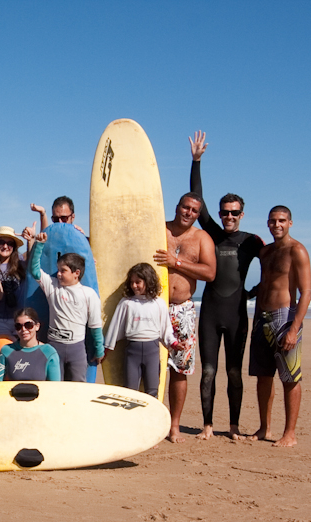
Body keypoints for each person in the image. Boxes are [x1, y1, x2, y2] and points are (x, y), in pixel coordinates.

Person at [189, 131, 265, 439]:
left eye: (234, 213)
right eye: (225, 212)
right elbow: (196, 199)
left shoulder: (252, 241)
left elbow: (274, 268)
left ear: (242, 214)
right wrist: (196, 161)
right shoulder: (211, 232)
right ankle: (207, 425)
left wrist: (253, 292)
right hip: (210, 313)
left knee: (234, 371)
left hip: (236, 314)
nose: (229, 216)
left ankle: (233, 426)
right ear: (220, 214)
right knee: (208, 371)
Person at [153, 192, 217, 443]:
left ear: (198, 214)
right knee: (149, 365)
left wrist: (176, 262)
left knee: (179, 368)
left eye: (194, 210)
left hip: (182, 310)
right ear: (177, 206)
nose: (188, 213)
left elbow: (210, 272)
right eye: (185, 207)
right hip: (153, 307)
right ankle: (150, 421)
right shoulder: (158, 229)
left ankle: (174, 425)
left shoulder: (201, 238)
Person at [247, 206, 311, 447]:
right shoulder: (265, 252)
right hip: (261, 317)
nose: (277, 225)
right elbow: (267, 282)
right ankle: (264, 428)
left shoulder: (297, 250)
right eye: (273, 221)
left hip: (284, 318)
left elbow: (306, 292)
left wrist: (294, 329)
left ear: (290, 223)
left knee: (289, 377)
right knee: (263, 377)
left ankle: (290, 434)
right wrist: (247, 294)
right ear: (267, 223)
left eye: (282, 221)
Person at [23, 228, 105, 381]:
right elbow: (34, 271)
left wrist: (99, 350)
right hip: (54, 346)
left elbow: (95, 326)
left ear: (76, 273)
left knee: (78, 388)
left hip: (77, 349)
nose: (58, 274)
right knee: (54, 387)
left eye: (63, 271)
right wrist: (39, 245)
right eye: (58, 270)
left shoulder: (89, 294)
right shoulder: (53, 286)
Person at [104, 263, 178, 398]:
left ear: (148, 281)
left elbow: (166, 328)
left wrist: (174, 343)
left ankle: (152, 413)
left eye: (138, 282)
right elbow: (115, 327)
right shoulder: (126, 303)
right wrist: (105, 349)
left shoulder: (159, 303)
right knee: (130, 392)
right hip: (132, 352)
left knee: (152, 391)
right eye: (131, 282)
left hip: (152, 351)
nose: (134, 286)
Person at [0, 308, 61, 382]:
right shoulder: (6, 351)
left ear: (37, 326)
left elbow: (55, 386)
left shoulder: (49, 352)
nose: (23, 329)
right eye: (18, 326)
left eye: (28, 325)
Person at [0, 226, 26, 338]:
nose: (5, 246)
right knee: (2, 349)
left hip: (21, 319)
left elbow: (35, 257)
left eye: (10, 243)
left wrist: (31, 240)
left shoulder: (21, 265)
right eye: (1, 242)